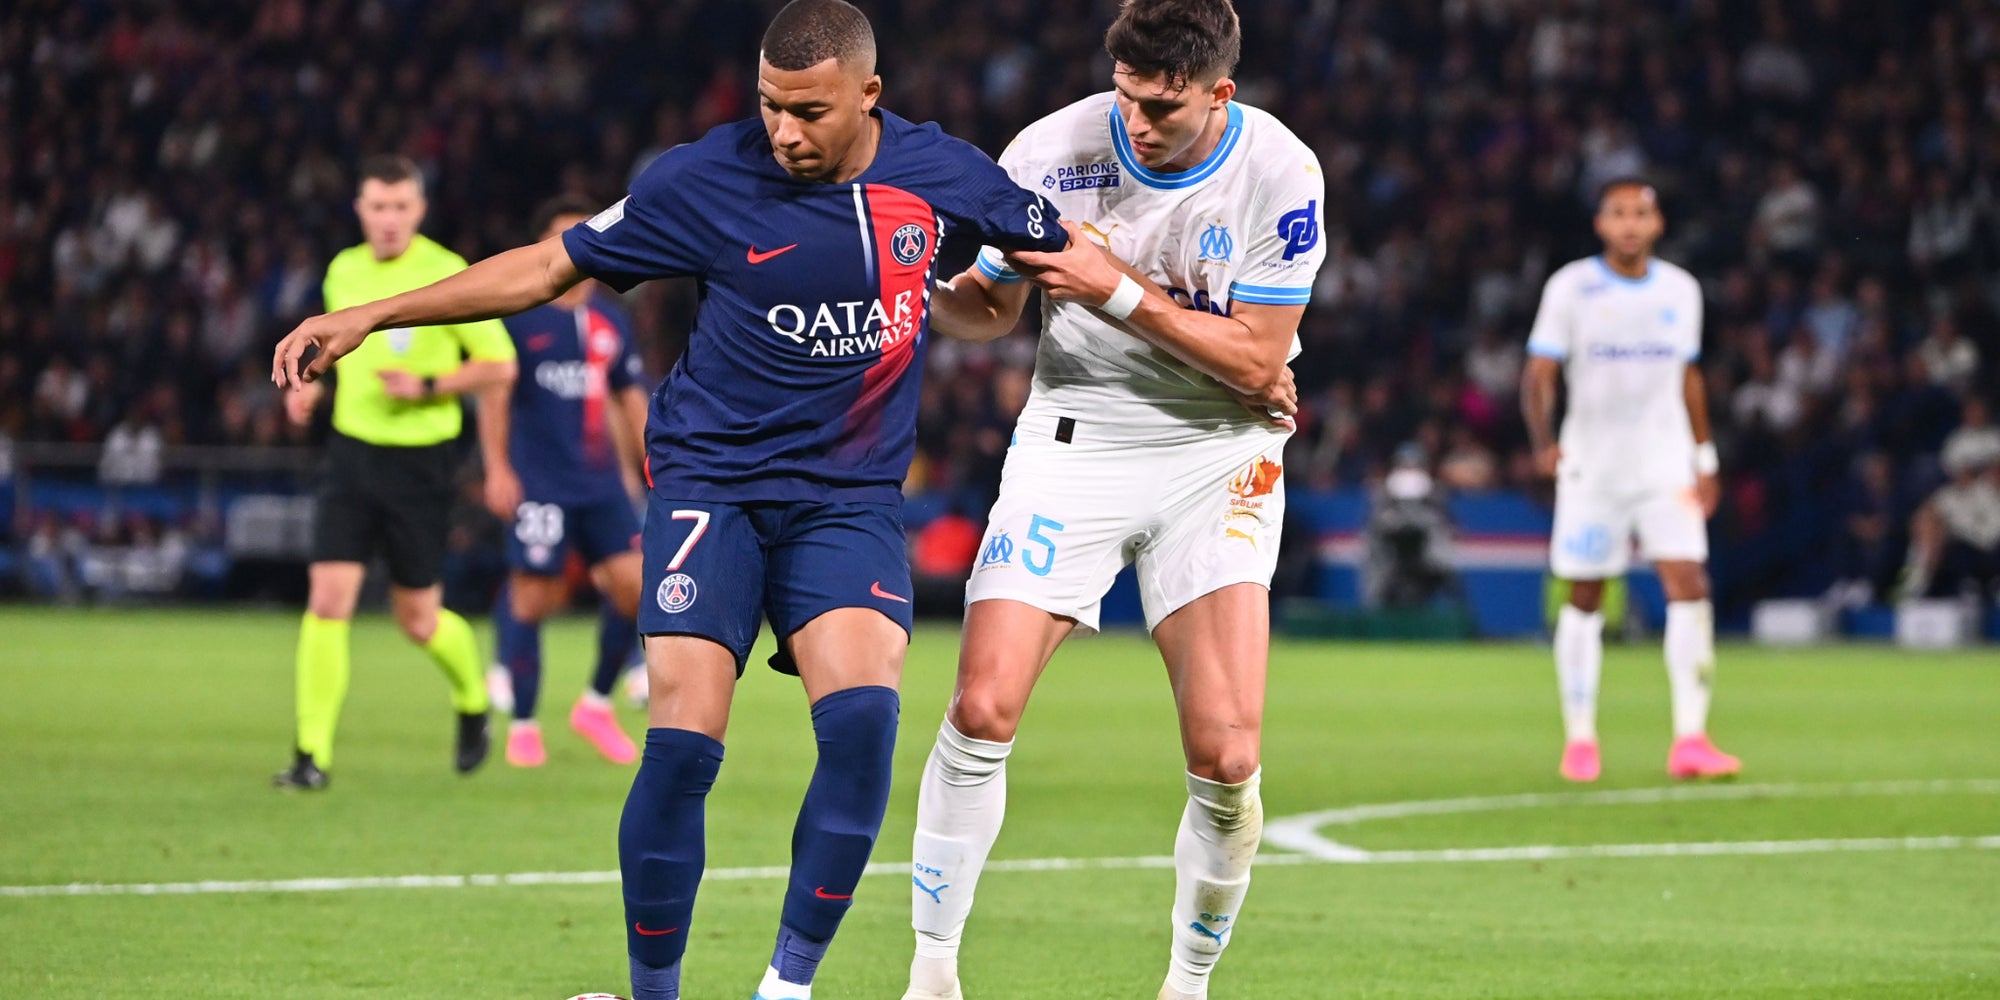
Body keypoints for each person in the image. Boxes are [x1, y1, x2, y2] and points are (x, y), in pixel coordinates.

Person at [270, 3, 1066, 997]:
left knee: (864, 724)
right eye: (771, 105)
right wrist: (369, 314)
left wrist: (1215, 345)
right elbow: (548, 266)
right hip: (710, 484)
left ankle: (785, 988)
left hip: (845, 495)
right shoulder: (703, 178)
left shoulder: (940, 172)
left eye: (808, 112)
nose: (784, 131)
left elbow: (1065, 251)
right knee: (685, 740)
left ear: (868, 94)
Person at [903, 3, 1322, 997]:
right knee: (980, 703)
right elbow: (991, 307)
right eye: (1125, 98)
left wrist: (1107, 282)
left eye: (1162, 109)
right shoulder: (1049, 151)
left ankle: (1186, 984)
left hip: (1216, 453)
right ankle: (930, 973)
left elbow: (1258, 365)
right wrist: (907, 285)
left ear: (1219, 93)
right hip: (1074, 440)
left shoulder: (1278, 171)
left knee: (1225, 753)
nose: (1135, 125)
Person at [273, 154, 517, 791]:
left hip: (421, 462)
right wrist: (309, 391)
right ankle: (310, 756)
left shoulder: (447, 273)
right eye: (377, 207)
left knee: (418, 619)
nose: (388, 219)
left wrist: (430, 385)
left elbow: (498, 366)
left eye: (400, 207)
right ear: (360, 209)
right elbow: (336, 360)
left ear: (419, 209)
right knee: (327, 602)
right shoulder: (343, 271)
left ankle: (472, 698)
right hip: (352, 455)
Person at [1520, 179, 1740, 784]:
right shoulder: (1571, 287)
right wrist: (1544, 443)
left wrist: (1706, 457)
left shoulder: (1680, 289)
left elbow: (1688, 376)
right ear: (1600, 224)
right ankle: (1581, 738)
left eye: (1640, 214)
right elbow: (1539, 371)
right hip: (1594, 465)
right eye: (1618, 214)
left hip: (1665, 463)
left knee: (1690, 582)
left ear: (1658, 223)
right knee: (1586, 594)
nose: (1629, 225)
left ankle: (1692, 738)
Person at [482, 195, 651, 768]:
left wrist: (662, 464)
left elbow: (632, 401)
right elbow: (496, 396)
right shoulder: (520, 316)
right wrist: (498, 468)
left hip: (602, 485)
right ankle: (524, 725)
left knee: (637, 591)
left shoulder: (610, 319)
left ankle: (596, 705)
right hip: (541, 483)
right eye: (561, 236)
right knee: (533, 599)